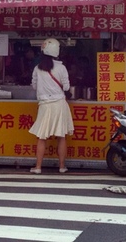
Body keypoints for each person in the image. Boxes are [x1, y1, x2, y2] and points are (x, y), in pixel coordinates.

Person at [28, 38, 74, 174]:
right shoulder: (61, 68)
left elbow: (34, 86)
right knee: (61, 136)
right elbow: (66, 87)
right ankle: (62, 167)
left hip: (45, 106)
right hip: (59, 104)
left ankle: (38, 167)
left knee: (42, 137)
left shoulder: (37, 68)